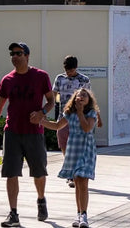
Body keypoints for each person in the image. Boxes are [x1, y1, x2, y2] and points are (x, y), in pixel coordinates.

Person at [0, 42, 55, 228]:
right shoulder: (7, 80)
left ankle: (41, 199)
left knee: (39, 172)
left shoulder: (41, 76)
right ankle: (13, 213)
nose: (15, 56)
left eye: (18, 53)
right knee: (11, 173)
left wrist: (42, 113)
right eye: (12, 54)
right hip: (13, 132)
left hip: (34, 133)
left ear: (27, 56)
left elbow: (51, 100)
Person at [37, 88, 99, 228]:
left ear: (89, 100)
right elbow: (58, 125)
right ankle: (78, 214)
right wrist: (41, 121)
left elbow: (86, 128)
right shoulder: (69, 114)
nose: (81, 97)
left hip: (86, 151)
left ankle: (84, 215)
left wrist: (80, 112)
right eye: (79, 95)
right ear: (74, 99)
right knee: (77, 183)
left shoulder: (91, 113)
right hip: (73, 151)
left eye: (84, 95)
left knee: (83, 182)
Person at [52, 56, 93, 188]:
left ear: (76, 68)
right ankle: (70, 172)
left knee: (77, 148)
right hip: (63, 117)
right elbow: (53, 96)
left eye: (71, 70)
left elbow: (90, 99)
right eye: (66, 70)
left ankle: (76, 173)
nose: (69, 73)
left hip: (79, 118)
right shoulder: (60, 78)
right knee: (64, 146)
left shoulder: (84, 80)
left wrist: (93, 117)